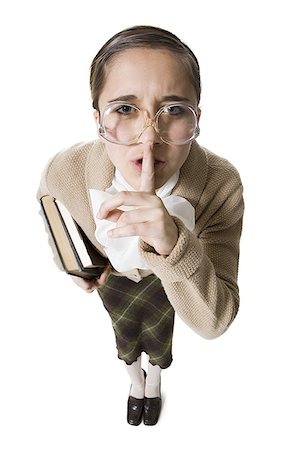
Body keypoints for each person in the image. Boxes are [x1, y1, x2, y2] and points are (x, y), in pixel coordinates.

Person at [37, 25, 244, 426]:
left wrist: (172, 245)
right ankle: (136, 384)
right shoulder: (70, 166)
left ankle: (154, 384)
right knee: (125, 338)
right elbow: (46, 193)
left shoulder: (221, 184)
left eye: (173, 110)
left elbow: (215, 322)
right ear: (98, 118)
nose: (149, 140)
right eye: (125, 109)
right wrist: (72, 257)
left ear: (196, 117)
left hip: (174, 283)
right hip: (113, 278)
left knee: (160, 340)